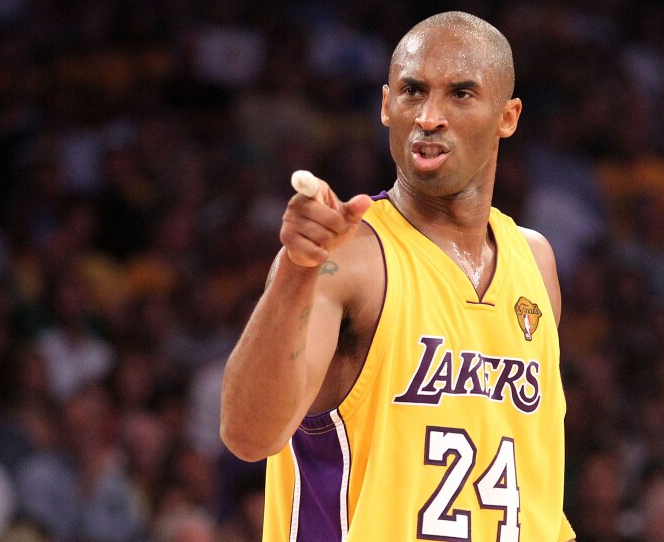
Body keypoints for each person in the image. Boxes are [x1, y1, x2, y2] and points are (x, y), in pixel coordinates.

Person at [221, 11, 576, 542]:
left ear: (508, 116)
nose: (430, 116)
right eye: (413, 91)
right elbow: (249, 436)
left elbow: (536, 487)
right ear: (387, 105)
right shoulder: (348, 261)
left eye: (460, 94)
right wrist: (296, 271)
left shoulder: (536, 261)